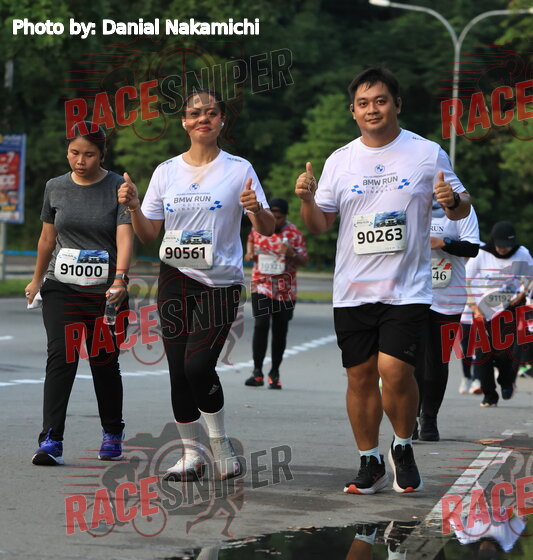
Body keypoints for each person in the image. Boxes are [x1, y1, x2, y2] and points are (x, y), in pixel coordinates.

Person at [295, 66, 471, 494]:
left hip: (406, 288)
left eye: (380, 101)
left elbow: (462, 206)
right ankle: (370, 460)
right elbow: (319, 225)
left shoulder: (427, 152)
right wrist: (306, 200)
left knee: (394, 371)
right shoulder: (340, 160)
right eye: (363, 103)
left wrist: (451, 201)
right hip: (352, 288)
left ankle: (403, 446)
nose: (372, 109)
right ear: (353, 111)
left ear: (397, 105)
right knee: (359, 377)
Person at [118, 89, 274, 481]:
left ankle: (220, 446)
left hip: (220, 282)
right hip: (174, 277)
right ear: (184, 122)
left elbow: (267, 228)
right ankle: (191, 455)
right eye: (195, 113)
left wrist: (255, 209)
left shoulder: (239, 168)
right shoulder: (166, 171)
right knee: (178, 370)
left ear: (221, 120)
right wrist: (134, 206)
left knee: (198, 365)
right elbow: (149, 233)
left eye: (211, 112)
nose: (203, 118)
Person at [25, 122, 133, 465]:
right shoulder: (55, 187)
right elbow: (47, 238)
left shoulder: (117, 187)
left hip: (106, 291)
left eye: (89, 154)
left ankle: (112, 432)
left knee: (104, 361)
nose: (80, 161)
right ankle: (51, 440)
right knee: (62, 356)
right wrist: (36, 280)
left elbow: (124, 235)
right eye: (74, 153)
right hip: (62, 286)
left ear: (102, 154)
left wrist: (120, 279)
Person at [413, 200, 479, 440]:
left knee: (437, 361)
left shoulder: (462, 208)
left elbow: (472, 248)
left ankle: (429, 418)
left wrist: (444, 243)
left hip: (447, 298)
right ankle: (408, 418)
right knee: (409, 361)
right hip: (410, 294)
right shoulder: (408, 201)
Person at [465, 221, 533, 407]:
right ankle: (489, 395)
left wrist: (521, 295)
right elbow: (466, 281)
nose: (504, 249)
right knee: (482, 354)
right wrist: (474, 309)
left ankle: (506, 381)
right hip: (482, 309)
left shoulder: (522, 253)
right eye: (500, 245)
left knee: (504, 353)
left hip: (508, 309)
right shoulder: (481, 254)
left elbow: (530, 278)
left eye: (507, 246)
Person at [243, 197, 308, 389]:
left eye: (279, 217)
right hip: (261, 285)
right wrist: (249, 253)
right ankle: (257, 372)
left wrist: (291, 253)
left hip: (285, 290)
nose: (276, 220)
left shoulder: (294, 233)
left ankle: (274, 372)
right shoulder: (257, 228)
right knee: (261, 325)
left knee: (280, 330)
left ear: (286, 216)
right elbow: (250, 243)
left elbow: (304, 260)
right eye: (273, 216)